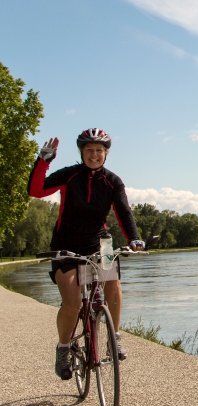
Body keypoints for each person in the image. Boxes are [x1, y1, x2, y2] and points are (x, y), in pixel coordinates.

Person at [27, 128, 145, 380]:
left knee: (112, 282)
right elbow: (36, 190)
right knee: (72, 302)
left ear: (106, 154)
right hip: (66, 246)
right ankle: (63, 348)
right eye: (89, 150)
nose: (94, 154)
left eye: (99, 150)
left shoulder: (112, 181)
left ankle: (114, 338)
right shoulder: (69, 175)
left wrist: (133, 239)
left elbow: (124, 212)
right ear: (81, 152)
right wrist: (43, 162)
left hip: (97, 245)